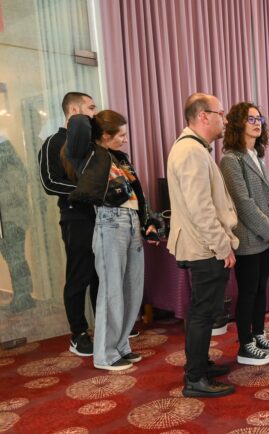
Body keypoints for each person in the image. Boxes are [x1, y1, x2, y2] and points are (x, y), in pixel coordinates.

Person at [64, 110, 160, 371]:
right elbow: (78, 126)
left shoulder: (120, 157)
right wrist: (88, 116)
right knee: (112, 290)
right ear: (105, 135)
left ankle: (120, 345)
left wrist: (148, 222)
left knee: (132, 289)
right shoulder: (88, 155)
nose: (125, 140)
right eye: (121, 135)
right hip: (110, 222)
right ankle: (105, 354)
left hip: (131, 222)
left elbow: (138, 192)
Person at [167, 93, 238, 397]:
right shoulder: (191, 151)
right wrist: (223, 247)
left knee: (204, 311)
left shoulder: (194, 148)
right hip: (204, 247)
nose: (225, 119)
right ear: (203, 116)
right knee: (202, 313)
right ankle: (195, 378)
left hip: (202, 244)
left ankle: (199, 366)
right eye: (220, 113)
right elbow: (201, 209)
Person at [219, 102, 269, 365]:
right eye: (251, 119)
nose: (257, 123)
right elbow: (243, 203)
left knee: (260, 289)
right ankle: (245, 345)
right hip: (248, 238)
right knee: (248, 292)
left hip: (265, 238)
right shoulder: (231, 159)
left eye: (259, 119)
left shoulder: (256, 157)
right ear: (238, 123)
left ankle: (258, 334)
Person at [37, 92, 99, 355]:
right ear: (74, 110)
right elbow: (49, 183)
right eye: (91, 107)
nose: (95, 113)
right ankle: (79, 334)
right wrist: (87, 191)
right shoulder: (53, 143)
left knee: (100, 276)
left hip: (102, 218)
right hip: (76, 218)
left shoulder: (93, 143)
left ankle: (105, 326)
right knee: (79, 276)